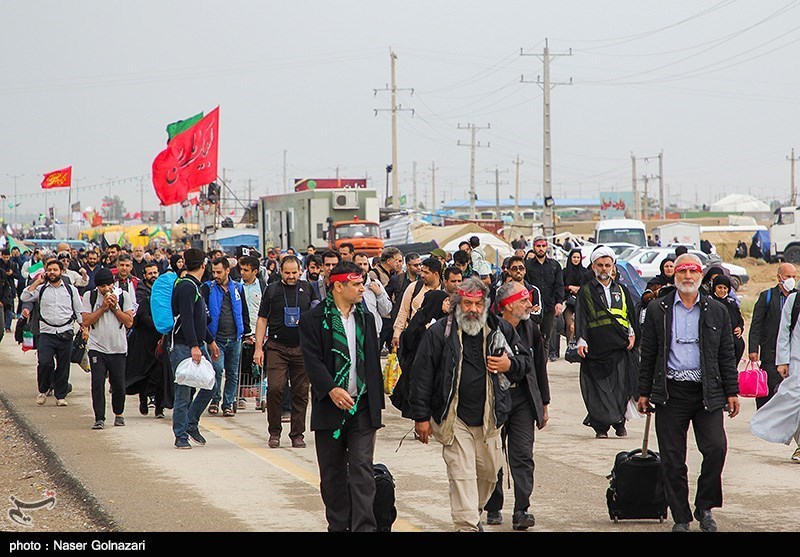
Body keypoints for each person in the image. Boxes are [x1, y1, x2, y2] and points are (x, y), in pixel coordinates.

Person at [411, 276, 527, 532]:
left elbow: (524, 364)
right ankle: (466, 525)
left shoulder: (501, 330)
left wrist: (510, 365)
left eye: (477, 304)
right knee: (462, 473)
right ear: (456, 304)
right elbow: (421, 377)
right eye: (467, 304)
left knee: (488, 474)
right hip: (455, 419)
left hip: (490, 419)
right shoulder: (439, 332)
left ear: (485, 305)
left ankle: (471, 512)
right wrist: (421, 417)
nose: (472, 310)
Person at [637, 253, 740, 533]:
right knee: (672, 458)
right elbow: (648, 355)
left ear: (701, 275)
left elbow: (726, 354)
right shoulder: (659, 310)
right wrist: (643, 392)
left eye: (693, 271)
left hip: (707, 392)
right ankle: (681, 516)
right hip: (671, 392)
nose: (687, 277)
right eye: (682, 271)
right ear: (674, 276)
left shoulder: (716, 309)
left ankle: (704, 507)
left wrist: (732, 391)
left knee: (716, 448)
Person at [298, 261, 384, 532]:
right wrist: (331, 389)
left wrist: (376, 406)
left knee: (362, 469)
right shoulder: (314, 319)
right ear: (338, 286)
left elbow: (371, 361)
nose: (362, 289)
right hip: (330, 406)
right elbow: (311, 361)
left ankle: (364, 528)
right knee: (333, 474)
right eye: (357, 284)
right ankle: (338, 526)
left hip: (361, 406)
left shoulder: (366, 318)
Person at [483, 281, 549, 530]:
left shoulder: (531, 328)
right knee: (492, 455)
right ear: (507, 305)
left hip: (522, 399)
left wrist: (544, 403)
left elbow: (539, 367)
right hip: (494, 399)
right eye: (523, 300)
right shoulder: (488, 328)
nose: (528, 305)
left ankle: (522, 509)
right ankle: (493, 505)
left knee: (522, 455)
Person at [575, 246, 638, 438]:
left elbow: (630, 316)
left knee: (621, 386)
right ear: (593, 266)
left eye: (607, 265)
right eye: (600, 265)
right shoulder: (586, 291)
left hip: (619, 345)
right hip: (595, 347)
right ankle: (600, 427)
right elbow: (581, 317)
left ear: (613, 267)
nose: (604, 269)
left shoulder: (622, 290)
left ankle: (620, 422)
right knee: (598, 389)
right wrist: (581, 340)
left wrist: (632, 334)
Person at [254, 255, 316, 448]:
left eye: (294, 272)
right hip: (276, 347)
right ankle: (274, 431)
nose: (291, 276)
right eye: (287, 273)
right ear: (281, 271)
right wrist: (258, 348)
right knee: (275, 389)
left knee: (300, 392)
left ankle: (297, 434)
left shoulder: (307, 289)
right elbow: (262, 319)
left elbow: (316, 317)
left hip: (302, 348)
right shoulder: (272, 290)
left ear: (300, 271)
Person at [170, 248, 221, 450]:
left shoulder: (197, 286)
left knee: (211, 385)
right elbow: (187, 318)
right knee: (183, 391)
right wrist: (193, 346)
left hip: (198, 343)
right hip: (184, 345)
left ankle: (191, 423)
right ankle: (180, 434)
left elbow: (200, 319)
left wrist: (210, 340)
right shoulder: (186, 287)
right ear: (203, 265)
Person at [21, 258, 84, 407]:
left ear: (61, 271)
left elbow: (79, 310)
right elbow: (25, 297)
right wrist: (36, 282)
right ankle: (43, 390)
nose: (52, 272)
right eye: (49, 270)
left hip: (65, 332)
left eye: (55, 270)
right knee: (44, 362)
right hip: (47, 333)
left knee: (63, 365)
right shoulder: (41, 289)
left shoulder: (71, 289)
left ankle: (60, 395)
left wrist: (84, 327)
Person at [751, 282, 800, 461]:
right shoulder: (795, 301)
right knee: (792, 401)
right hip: (796, 361)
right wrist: (783, 361)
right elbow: (784, 331)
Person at [81, 268, 134, 429]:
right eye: (102, 286)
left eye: (108, 285)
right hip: (97, 347)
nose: (106, 289)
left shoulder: (123, 296)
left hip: (118, 348)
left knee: (118, 384)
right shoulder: (89, 297)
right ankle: (99, 417)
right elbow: (86, 321)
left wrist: (115, 308)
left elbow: (129, 322)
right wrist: (103, 308)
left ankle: (119, 413)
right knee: (97, 383)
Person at [202, 257, 253, 417]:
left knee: (232, 373)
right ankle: (215, 399)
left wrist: (247, 332)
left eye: (219, 272)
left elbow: (244, 311)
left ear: (227, 271)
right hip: (217, 339)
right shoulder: (208, 288)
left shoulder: (237, 288)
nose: (215, 275)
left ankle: (228, 403)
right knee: (217, 370)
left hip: (235, 338)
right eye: (213, 272)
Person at [748, 263, 797, 408]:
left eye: (794, 277)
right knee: (769, 391)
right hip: (770, 351)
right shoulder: (767, 297)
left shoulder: (796, 298)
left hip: (792, 351)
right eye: (788, 276)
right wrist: (753, 349)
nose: (791, 280)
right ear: (779, 277)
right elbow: (756, 323)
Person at [125, 261, 169, 418]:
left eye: (155, 273)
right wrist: (160, 325)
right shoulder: (144, 297)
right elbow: (143, 317)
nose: (153, 276)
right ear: (144, 276)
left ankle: (159, 408)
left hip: (161, 342)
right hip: (145, 343)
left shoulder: (166, 300)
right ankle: (143, 399)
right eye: (150, 273)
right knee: (145, 375)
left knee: (160, 376)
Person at [524, 236, 565, 364]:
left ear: (547, 247)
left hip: (549, 307)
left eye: (543, 246)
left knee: (545, 338)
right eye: (538, 246)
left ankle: (542, 366)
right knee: (532, 338)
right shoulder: (527, 266)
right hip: (533, 308)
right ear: (534, 247)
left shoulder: (555, 265)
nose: (541, 249)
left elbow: (559, 285)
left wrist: (559, 302)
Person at [392, 257, 442, 350]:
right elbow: (403, 311)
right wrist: (396, 334)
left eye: (426, 272)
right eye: (422, 271)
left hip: (435, 340)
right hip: (412, 338)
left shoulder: (444, 293)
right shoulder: (414, 287)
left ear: (436, 274)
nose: (422, 275)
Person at [238, 255, 268, 411]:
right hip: (242, 332)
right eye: (241, 269)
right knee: (241, 365)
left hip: (259, 332)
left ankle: (260, 396)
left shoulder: (263, 287)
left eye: (246, 270)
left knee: (261, 365)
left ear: (255, 271)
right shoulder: (237, 287)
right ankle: (240, 396)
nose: (242, 273)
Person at [354, 252, 391, 341]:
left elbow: (386, 311)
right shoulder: (348, 285)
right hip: (355, 335)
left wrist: (379, 294)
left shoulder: (375, 283)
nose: (362, 267)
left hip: (374, 335)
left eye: (365, 264)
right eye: (359, 264)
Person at [710, 275, 745, 364]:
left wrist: (740, 328)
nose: (722, 290)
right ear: (714, 287)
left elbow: (739, 319)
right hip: (717, 344)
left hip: (733, 344)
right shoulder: (709, 302)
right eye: (719, 287)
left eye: (725, 288)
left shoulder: (731, 302)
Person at [562, 248, 590, 344]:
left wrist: (579, 289)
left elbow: (588, 287)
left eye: (578, 257)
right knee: (570, 325)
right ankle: (569, 346)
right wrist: (569, 287)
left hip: (582, 303)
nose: (576, 259)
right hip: (568, 303)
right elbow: (561, 286)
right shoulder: (565, 272)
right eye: (574, 257)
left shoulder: (585, 272)